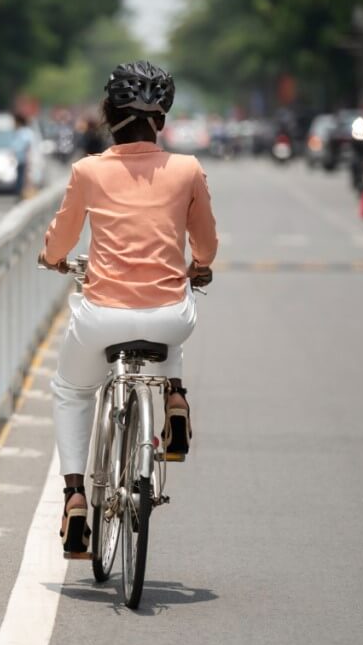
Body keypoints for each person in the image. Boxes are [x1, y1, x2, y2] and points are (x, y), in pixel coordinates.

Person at [38, 61, 217, 557]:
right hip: (168, 318)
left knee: (71, 391)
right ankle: (174, 395)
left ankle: (75, 495)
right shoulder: (187, 170)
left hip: (102, 317)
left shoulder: (88, 170)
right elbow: (205, 245)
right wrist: (198, 265)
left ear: (108, 113)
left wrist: (52, 258)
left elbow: (63, 239)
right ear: (161, 119)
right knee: (174, 301)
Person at [11, 111, 35, 196]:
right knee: (21, 181)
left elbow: (24, 146)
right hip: (21, 160)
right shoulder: (23, 132)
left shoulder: (24, 132)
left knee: (22, 182)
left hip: (25, 160)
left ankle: (22, 197)